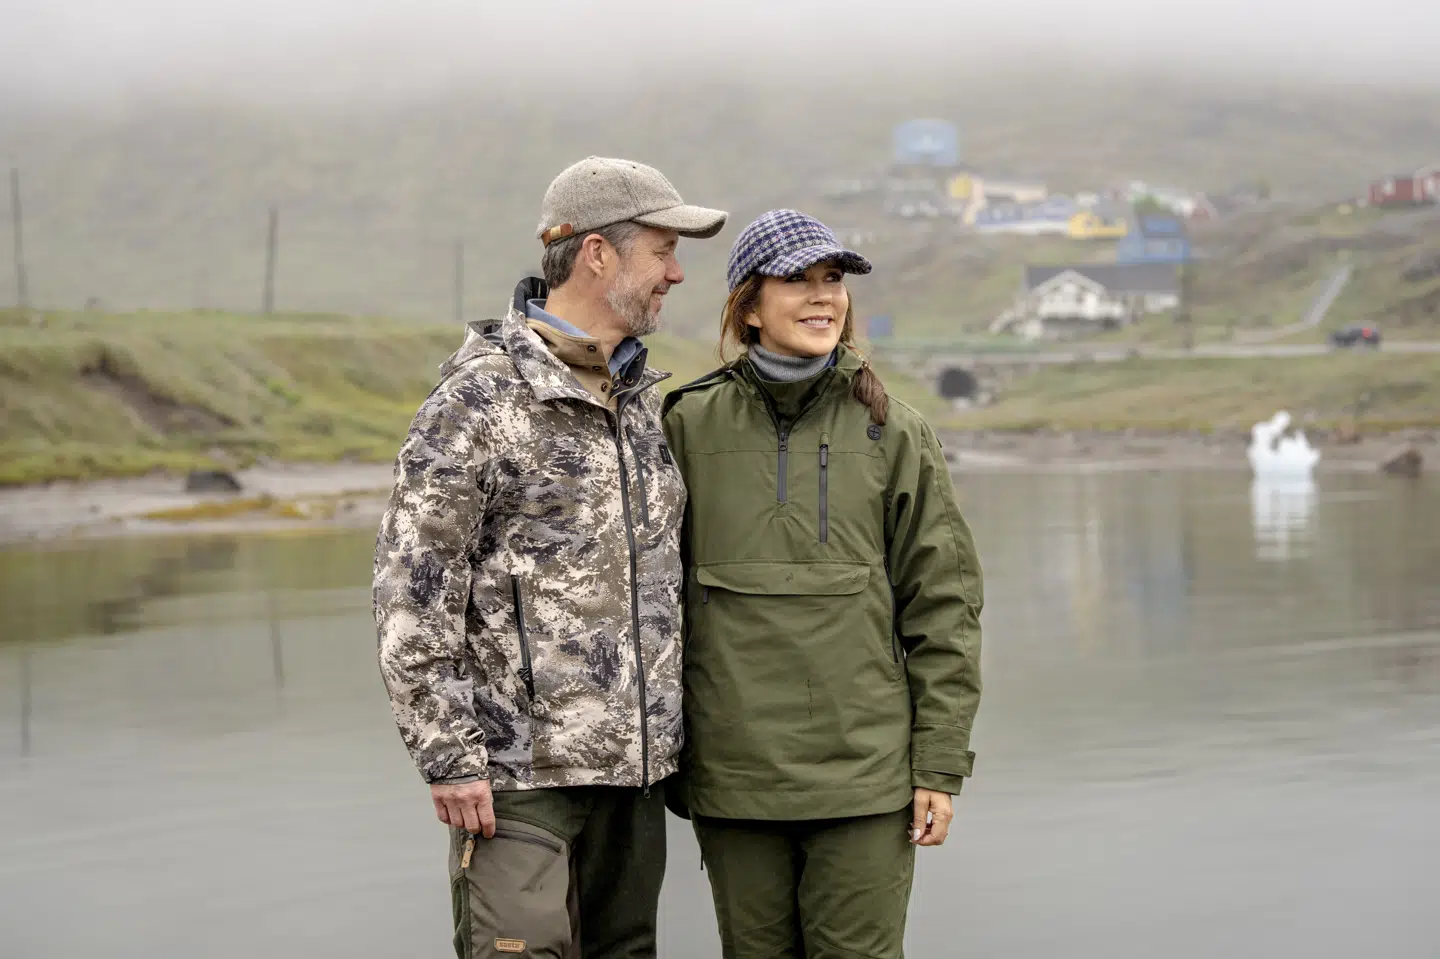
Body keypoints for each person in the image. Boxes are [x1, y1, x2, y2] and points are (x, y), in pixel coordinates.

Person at [373, 156, 727, 959]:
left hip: (635, 778)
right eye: (664, 250)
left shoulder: (637, 403)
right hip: (515, 781)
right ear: (599, 253)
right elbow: (412, 592)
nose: (676, 273)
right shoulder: (477, 402)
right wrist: (448, 754)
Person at [660, 210, 985, 959]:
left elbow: (944, 608)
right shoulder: (685, 425)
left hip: (865, 781)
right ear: (747, 305)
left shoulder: (894, 432)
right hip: (736, 778)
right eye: (796, 280)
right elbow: (654, 608)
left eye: (832, 279)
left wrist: (938, 763)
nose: (822, 297)